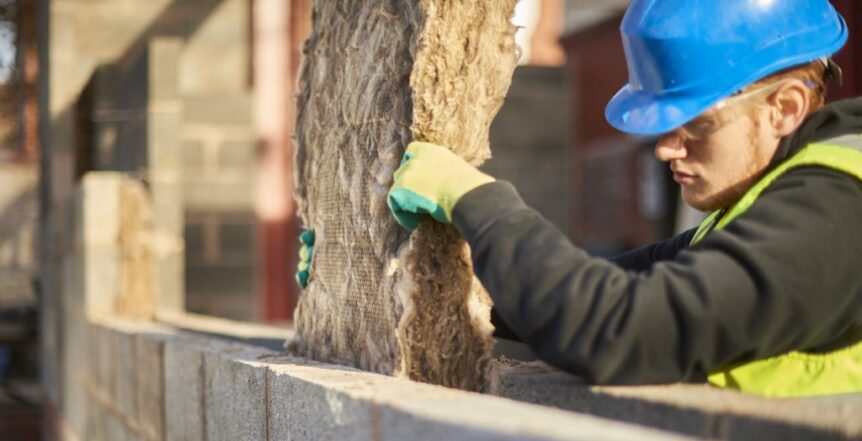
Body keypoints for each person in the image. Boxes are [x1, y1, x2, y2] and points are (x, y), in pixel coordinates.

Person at [385, 0, 862, 397]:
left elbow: (616, 327)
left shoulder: (839, 214)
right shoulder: (773, 197)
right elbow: (609, 285)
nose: (666, 148)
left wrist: (479, 202)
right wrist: (405, 281)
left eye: (694, 123)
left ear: (785, 108)